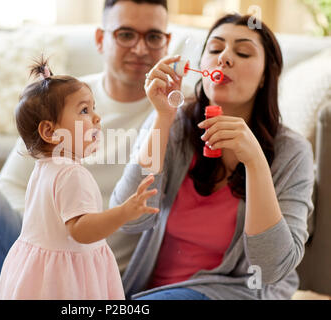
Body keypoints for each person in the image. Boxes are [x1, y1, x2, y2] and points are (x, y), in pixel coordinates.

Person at [0, 0, 180, 299]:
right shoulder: (65, 98)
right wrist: (51, 235)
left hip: (98, 281)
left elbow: (148, 205)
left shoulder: (175, 111)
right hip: (38, 269)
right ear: (101, 39)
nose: (140, 49)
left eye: (153, 37)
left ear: (167, 42)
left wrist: (165, 115)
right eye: (126, 34)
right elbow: (11, 185)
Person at [110, 13, 315, 300]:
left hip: (231, 293)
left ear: (265, 77)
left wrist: (255, 162)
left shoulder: (292, 152)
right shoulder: (174, 123)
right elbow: (128, 219)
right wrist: (162, 119)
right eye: (215, 49)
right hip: (149, 292)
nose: (225, 58)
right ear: (201, 65)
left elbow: (271, 269)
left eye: (243, 52)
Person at [0, 59, 159, 299]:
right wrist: (125, 212)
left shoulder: (44, 168)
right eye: (84, 110)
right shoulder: (72, 174)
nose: (97, 118)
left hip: (36, 269)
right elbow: (82, 231)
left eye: (93, 108)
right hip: (64, 279)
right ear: (50, 132)